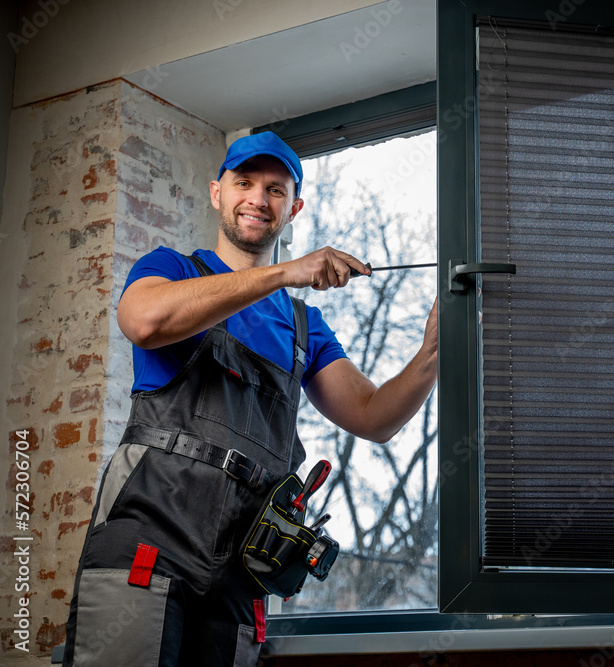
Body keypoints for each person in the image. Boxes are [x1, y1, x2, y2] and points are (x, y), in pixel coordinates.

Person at [62, 131, 438, 666]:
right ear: (218, 192)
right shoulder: (172, 269)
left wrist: (433, 352)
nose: (258, 199)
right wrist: (287, 272)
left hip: (243, 566)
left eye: (275, 189)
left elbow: (373, 416)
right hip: (150, 540)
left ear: (294, 207)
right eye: (244, 183)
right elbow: (144, 322)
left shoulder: (305, 329)